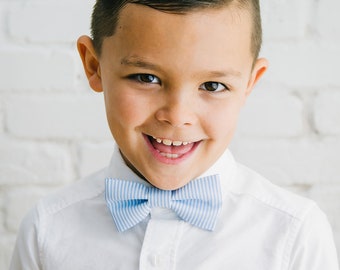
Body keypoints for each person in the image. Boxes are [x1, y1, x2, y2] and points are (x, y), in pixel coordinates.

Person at [10, 0, 339, 269]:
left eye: (212, 86)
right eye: (145, 78)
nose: (178, 116)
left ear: (250, 84)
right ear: (94, 65)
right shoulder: (46, 232)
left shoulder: (296, 236)